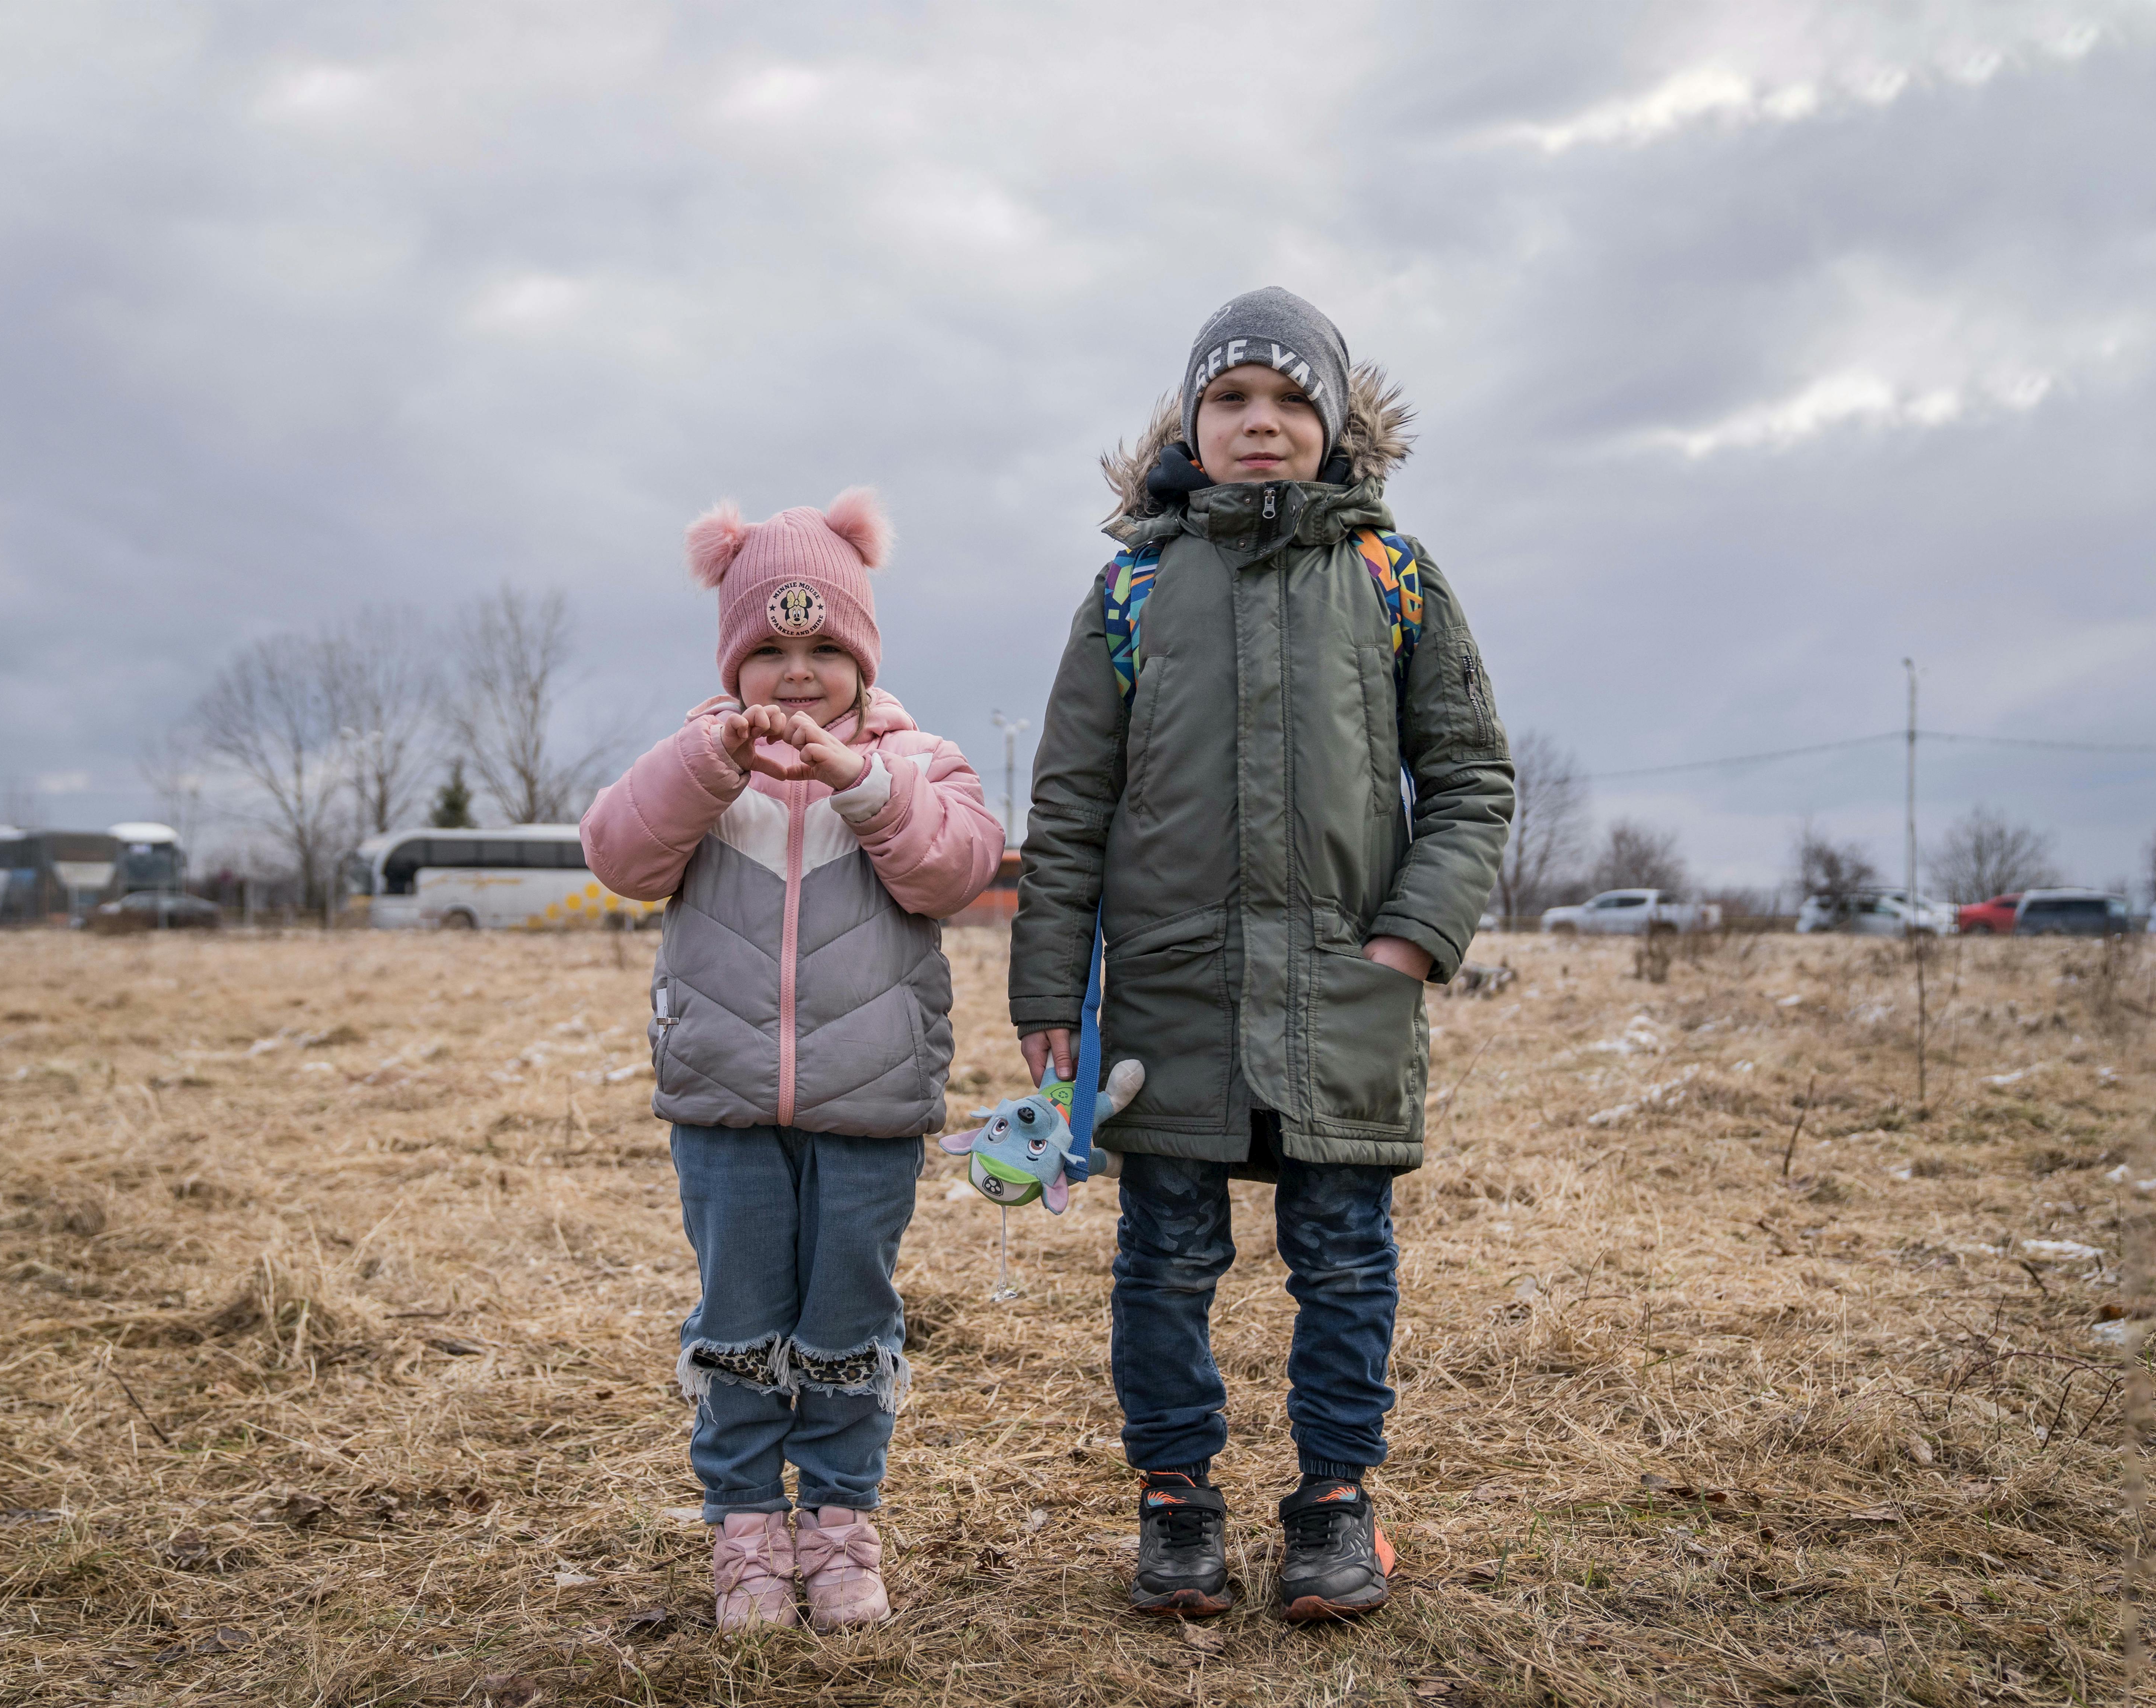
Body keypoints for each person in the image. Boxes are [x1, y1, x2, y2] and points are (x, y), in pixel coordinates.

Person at [1011, 288, 1514, 1622]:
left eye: (1293, 402)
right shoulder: (1130, 588)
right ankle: (1176, 1502)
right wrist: (1049, 990)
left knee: (1345, 1260)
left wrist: (1412, 941)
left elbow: (1469, 776)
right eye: (1232, 399)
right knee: (1163, 1263)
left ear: (1337, 425)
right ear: (1190, 419)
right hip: (1170, 997)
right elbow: (1068, 806)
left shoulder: (1393, 578)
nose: (1261, 424)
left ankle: (1337, 1505)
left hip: (1348, 991)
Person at [582, 488, 1003, 1636]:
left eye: (826, 647)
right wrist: (709, 765)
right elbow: (617, 854)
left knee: (846, 1320)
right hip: (722, 1108)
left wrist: (859, 784)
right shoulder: (697, 767)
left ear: (866, 657)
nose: (798, 672)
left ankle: (839, 1523)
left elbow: (955, 870)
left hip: (871, 1109)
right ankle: (745, 1532)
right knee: (737, 1315)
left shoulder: (921, 762)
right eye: (769, 648)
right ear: (732, 663)